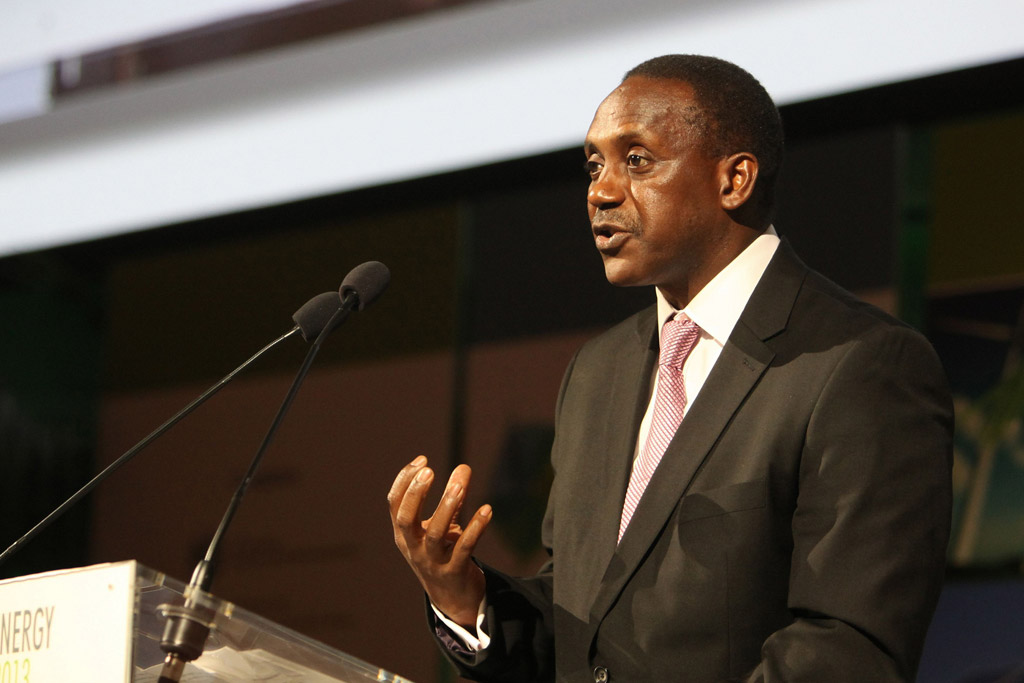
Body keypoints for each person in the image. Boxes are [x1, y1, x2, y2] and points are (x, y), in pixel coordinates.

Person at [388, 54, 953, 682]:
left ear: (734, 179)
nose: (600, 191)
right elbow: (585, 631)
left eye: (636, 160)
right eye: (594, 165)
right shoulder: (596, 373)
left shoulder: (860, 363)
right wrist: (466, 599)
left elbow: (848, 645)